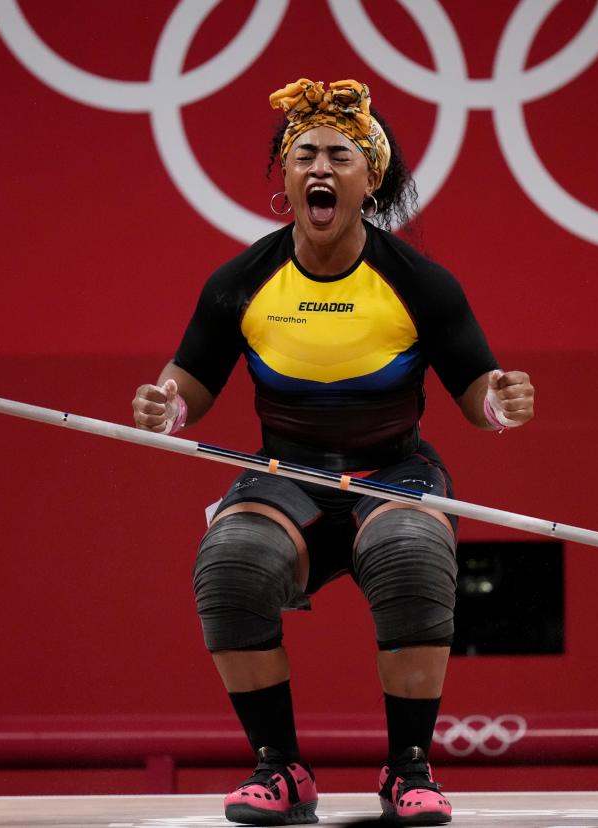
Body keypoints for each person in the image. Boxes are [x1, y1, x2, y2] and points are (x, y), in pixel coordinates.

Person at [132, 78, 535, 826]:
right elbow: (185, 386)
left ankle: (408, 771)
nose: (320, 168)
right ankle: (279, 770)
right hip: (287, 476)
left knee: (415, 551)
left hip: (393, 471)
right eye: (304, 155)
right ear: (285, 178)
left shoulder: (419, 283)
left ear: (369, 177)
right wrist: (166, 406)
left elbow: (480, 396)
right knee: (231, 565)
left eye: (339, 156)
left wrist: (499, 404)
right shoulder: (241, 282)